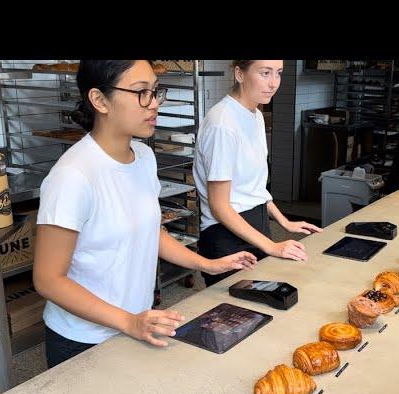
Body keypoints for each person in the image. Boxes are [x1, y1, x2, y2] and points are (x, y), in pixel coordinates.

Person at [33, 60, 257, 368]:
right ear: (100, 100)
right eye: (141, 93)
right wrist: (127, 321)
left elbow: (152, 231)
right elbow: (48, 279)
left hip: (137, 324)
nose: (153, 104)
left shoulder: (144, 156)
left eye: (155, 91)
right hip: (82, 341)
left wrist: (207, 264)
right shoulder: (72, 176)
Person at [194, 60, 323, 287]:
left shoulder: (255, 115)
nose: (273, 83)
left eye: (278, 73)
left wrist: (285, 222)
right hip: (226, 236)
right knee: (239, 317)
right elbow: (220, 206)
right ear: (239, 74)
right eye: (264, 73)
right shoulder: (222, 124)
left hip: (256, 227)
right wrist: (271, 246)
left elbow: (254, 189)